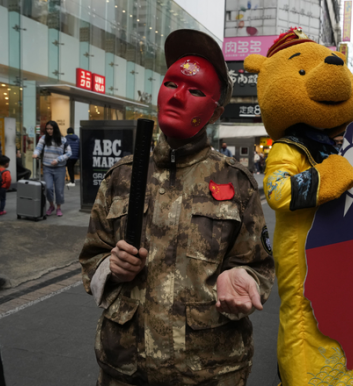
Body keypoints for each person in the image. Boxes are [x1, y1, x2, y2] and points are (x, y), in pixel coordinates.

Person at [79, 29, 275, 386]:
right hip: (126, 368)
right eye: (172, 84)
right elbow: (91, 257)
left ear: (215, 113)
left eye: (196, 90)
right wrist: (111, 266)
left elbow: (260, 266)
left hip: (209, 371)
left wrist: (243, 278)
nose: (178, 97)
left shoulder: (237, 184)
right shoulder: (122, 177)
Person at [32, 121, 71, 217]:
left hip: (60, 168)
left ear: (55, 129)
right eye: (47, 129)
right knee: (48, 188)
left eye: (51, 129)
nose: (49, 131)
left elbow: (69, 153)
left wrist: (58, 159)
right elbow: (38, 147)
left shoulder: (62, 139)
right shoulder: (44, 138)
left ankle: (58, 207)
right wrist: (36, 153)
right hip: (47, 167)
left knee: (59, 189)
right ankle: (51, 205)